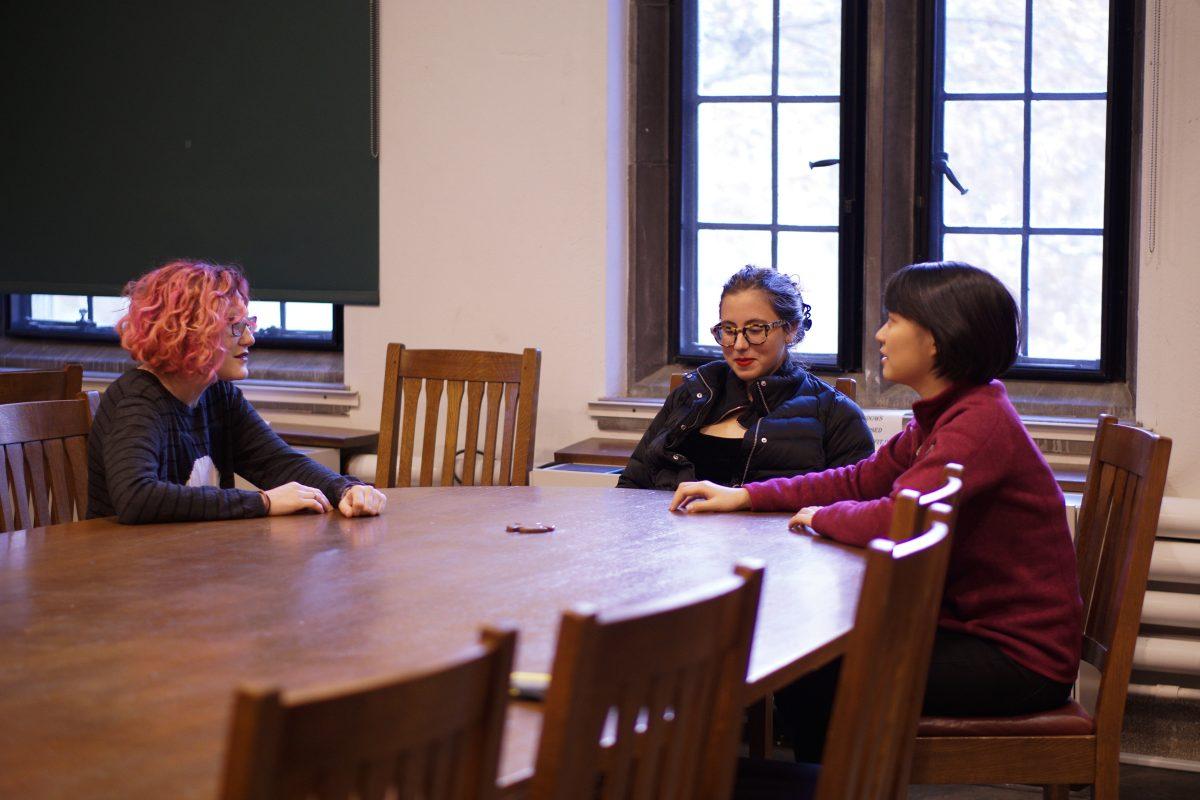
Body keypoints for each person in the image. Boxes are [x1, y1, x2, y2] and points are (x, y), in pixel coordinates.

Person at [670, 261, 1083, 759]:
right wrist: (748, 495)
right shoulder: (949, 413)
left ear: (936, 338)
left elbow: (897, 515)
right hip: (973, 633)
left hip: (1017, 660)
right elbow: (861, 479)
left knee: (813, 670)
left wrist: (822, 518)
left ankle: (829, 786)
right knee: (813, 664)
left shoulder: (978, 424)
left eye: (893, 320)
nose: (880, 335)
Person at [88, 260, 387, 524]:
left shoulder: (219, 395)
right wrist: (264, 502)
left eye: (248, 324)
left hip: (187, 565)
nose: (249, 339)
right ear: (188, 332)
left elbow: (277, 463)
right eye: (234, 326)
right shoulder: (136, 401)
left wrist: (344, 489)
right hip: (127, 574)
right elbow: (136, 498)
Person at [617, 266, 874, 491]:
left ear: (791, 329)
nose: (739, 345)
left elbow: (851, 506)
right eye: (729, 330)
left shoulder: (835, 413)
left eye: (755, 329)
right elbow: (631, 486)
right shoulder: (692, 393)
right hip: (670, 540)